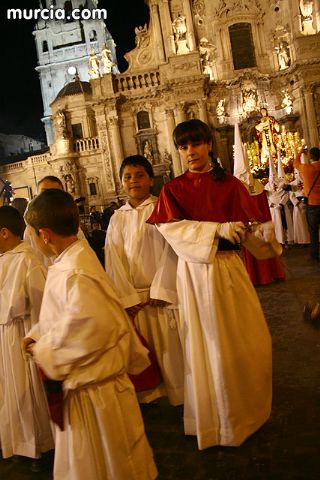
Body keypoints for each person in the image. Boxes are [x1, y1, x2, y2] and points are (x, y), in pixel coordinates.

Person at [147, 119, 279, 450]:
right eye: (183, 146)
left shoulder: (232, 185)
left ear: (209, 144)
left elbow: (252, 235)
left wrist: (262, 235)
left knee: (243, 340)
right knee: (206, 344)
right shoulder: (173, 189)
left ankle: (243, 414)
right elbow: (170, 229)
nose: (190, 152)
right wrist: (215, 230)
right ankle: (215, 421)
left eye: (195, 144)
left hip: (228, 272)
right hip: (194, 274)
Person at [23, 189, 158, 480]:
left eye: (32, 235)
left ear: (44, 234)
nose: (32, 241)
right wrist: (39, 333)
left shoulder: (76, 271)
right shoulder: (71, 260)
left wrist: (44, 350)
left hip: (97, 394)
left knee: (108, 466)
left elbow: (90, 330)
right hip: (87, 391)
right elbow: (65, 315)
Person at [105, 155, 184, 405]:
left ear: (151, 179)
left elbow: (171, 250)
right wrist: (126, 296)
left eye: (139, 175)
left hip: (159, 295)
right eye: (127, 177)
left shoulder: (162, 208)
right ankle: (149, 396)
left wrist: (161, 288)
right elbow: (113, 258)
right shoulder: (117, 217)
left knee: (169, 350)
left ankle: (179, 395)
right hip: (134, 299)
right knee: (143, 350)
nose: (133, 181)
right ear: (121, 182)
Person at [0, 206, 54, 462]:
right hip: (4, 336)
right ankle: (17, 439)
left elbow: (41, 305)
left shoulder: (28, 260)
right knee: (9, 389)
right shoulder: (5, 258)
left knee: (27, 390)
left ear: (4, 233)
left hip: (22, 334)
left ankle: (38, 443)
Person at [24, 175, 88, 267]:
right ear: (36, 197)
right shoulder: (31, 231)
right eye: (44, 193)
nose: (49, 199)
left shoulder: (72, 228)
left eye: (55, 194)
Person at [294, 146, 320, 261]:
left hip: (313, 204)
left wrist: (300, 153)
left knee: (313, 230)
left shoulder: (306, 168)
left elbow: (295, 163)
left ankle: (314, 254)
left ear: (310, 156)